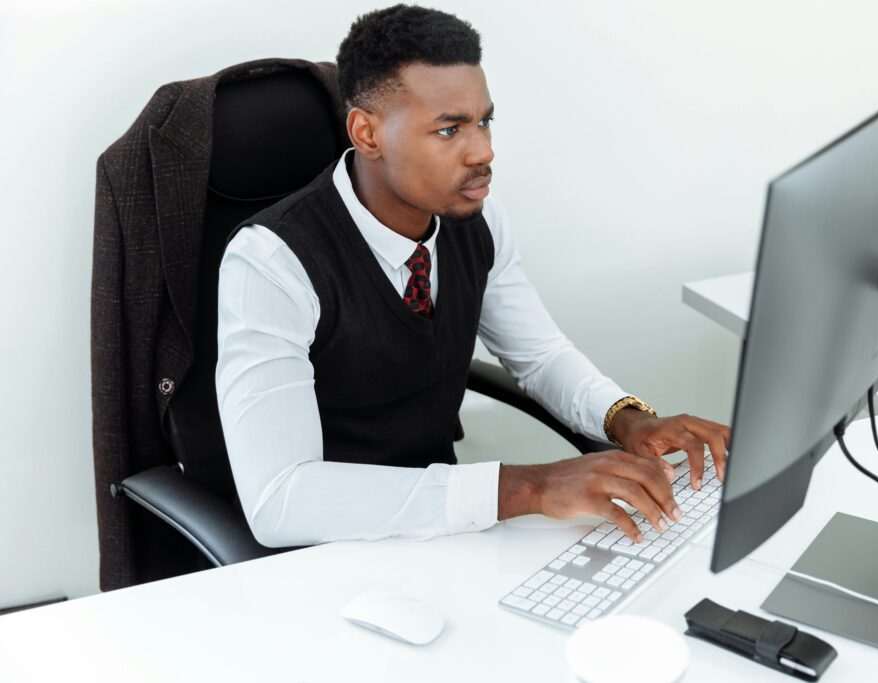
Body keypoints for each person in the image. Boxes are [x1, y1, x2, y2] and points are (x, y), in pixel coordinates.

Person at [215, 4, 730, 550]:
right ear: (367, 133)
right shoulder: (271, 263)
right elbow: (280, 500)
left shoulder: (475, 216)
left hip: (441, 532)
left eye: (484, 120)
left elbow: (538, 355)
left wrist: (626, 420)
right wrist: (530, 487)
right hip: (318, 552)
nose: (483, 151)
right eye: (449, 129)